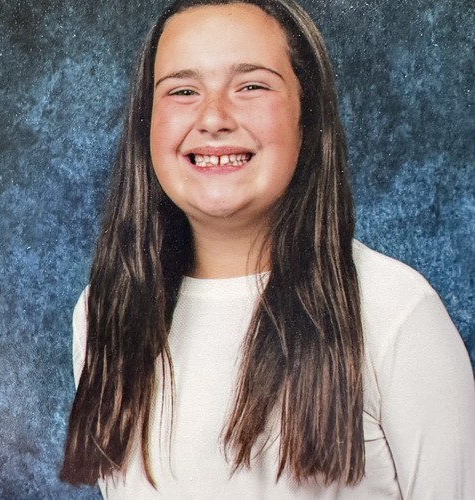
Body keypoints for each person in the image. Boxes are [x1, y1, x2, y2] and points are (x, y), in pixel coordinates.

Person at [60, 0, 475, 498]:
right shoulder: (103, 311)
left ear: (308, 115)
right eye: (183, 90)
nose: (213, 118)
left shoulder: (396, 310)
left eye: (251, 86)